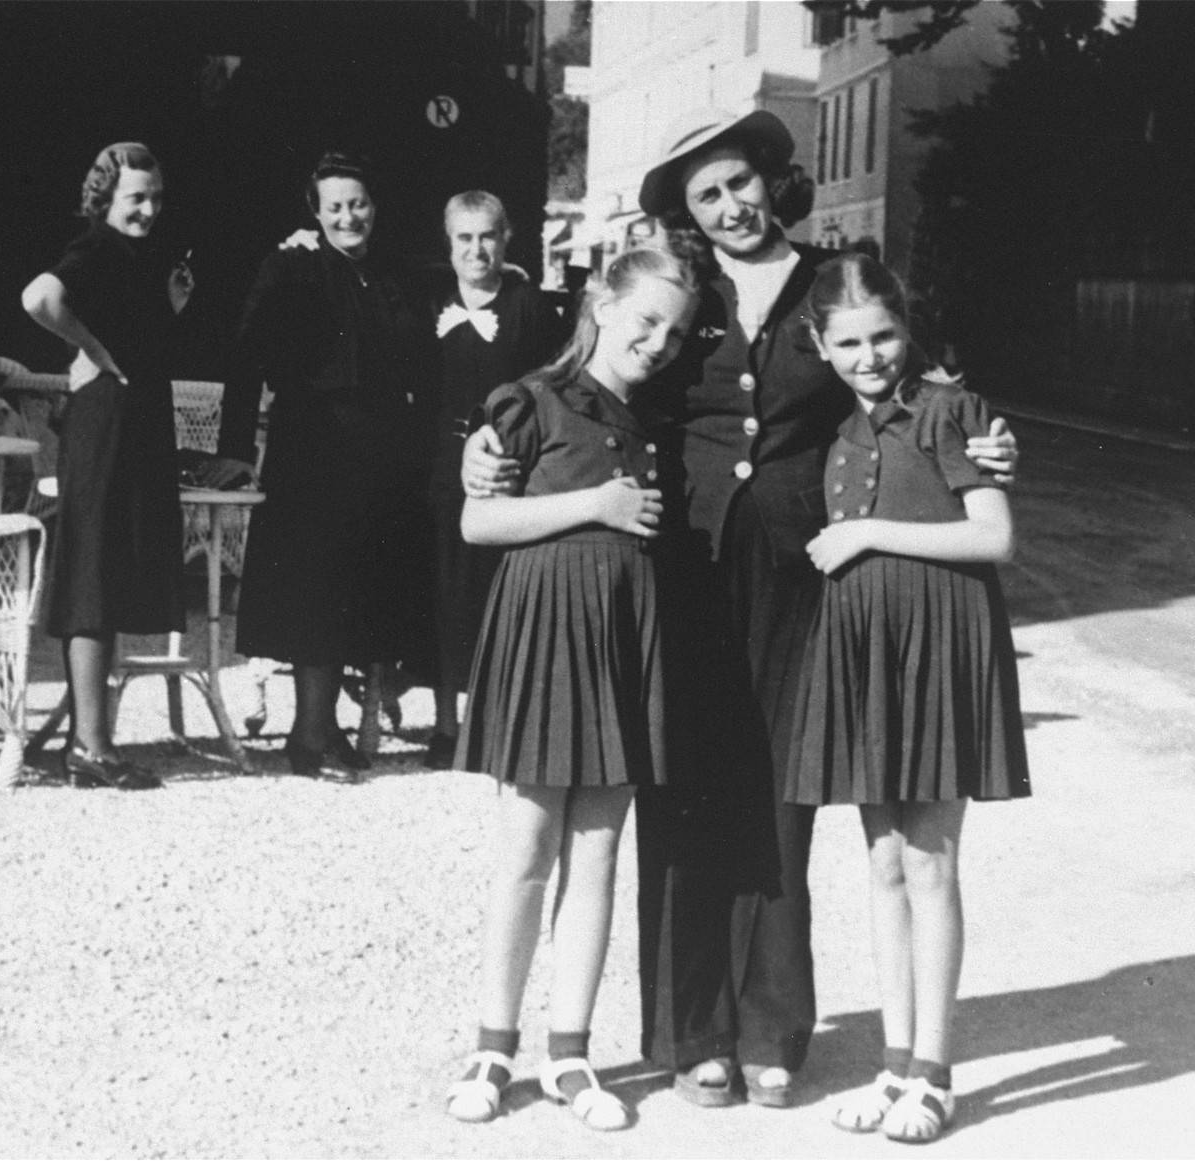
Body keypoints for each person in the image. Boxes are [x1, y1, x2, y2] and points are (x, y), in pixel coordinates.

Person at [463, 108, 1019, 1108]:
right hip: (676, 560)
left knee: (779, 796)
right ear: (689, 213)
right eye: (707, 195)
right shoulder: (682, 294)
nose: (730, 207)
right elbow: (576, 387)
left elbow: (915, 385)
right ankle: (694, 1033)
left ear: (775, 179)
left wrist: (991, 444)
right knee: (678, 792)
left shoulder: (831, 281)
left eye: (742, 184)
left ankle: (771, 1029)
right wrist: (481, 453)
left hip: (803, 570)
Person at [442, 246, 698, 1132]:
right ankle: (491, 1044)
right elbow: (480, 521)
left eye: (675, 330)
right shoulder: (529, 401)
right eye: (646, 320)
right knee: (526, 847)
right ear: (601, 302)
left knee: (597, 852)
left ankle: (571, 1051)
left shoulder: (654, 418)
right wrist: (595, 506)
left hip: (623, 640)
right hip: (548, 634)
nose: (659, 342)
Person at [791, 254, 1028, 1143]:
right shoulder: (840, 425)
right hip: (869, 651)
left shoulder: (949, 410)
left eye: (883, 333)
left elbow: (995, 535)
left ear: (907, 325)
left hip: (939, 646)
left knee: (930, 863)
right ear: (820, 344)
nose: (869, 354)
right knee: (883, 862)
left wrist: (864, 533)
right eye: (847, 341)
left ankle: (935, 1072)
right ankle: (893, 1067)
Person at [210, 152, 434, 782]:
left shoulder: (391, 276)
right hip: (312, 450)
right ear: (315, 211)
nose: (347, 217)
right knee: (316, 591)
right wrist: (233, 449)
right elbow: (247, 355)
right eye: (333, 206)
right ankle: (309, 736)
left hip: (379, 455)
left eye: (357, 204)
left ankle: (324, 728)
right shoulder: (293, 268)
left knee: (355, 592)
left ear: (374, 207)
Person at [22, 141, 194, 791]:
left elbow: (137, 334)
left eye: (155, 198)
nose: (148, 210)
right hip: (104, 425)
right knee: (94, 569)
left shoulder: (132, 259)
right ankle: (89, 748)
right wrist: (92, 347)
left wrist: (165, 306)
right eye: (135, 199)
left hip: (136, 423)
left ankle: (94, 740)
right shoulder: (96, 247)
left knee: (113, 565)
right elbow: (39, 298)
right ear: (105, 199)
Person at [421, 191, 558, 768]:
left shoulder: (530, 307)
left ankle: (497, 720)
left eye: (488, 237)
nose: (477, 250)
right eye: (464, 238)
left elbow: (551, 383)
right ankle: (446, 723)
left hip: (508, 467)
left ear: (507, 240)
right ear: (448, 244)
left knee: (499, 591)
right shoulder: (427, 301)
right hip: (440, 464)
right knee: (444, 590)